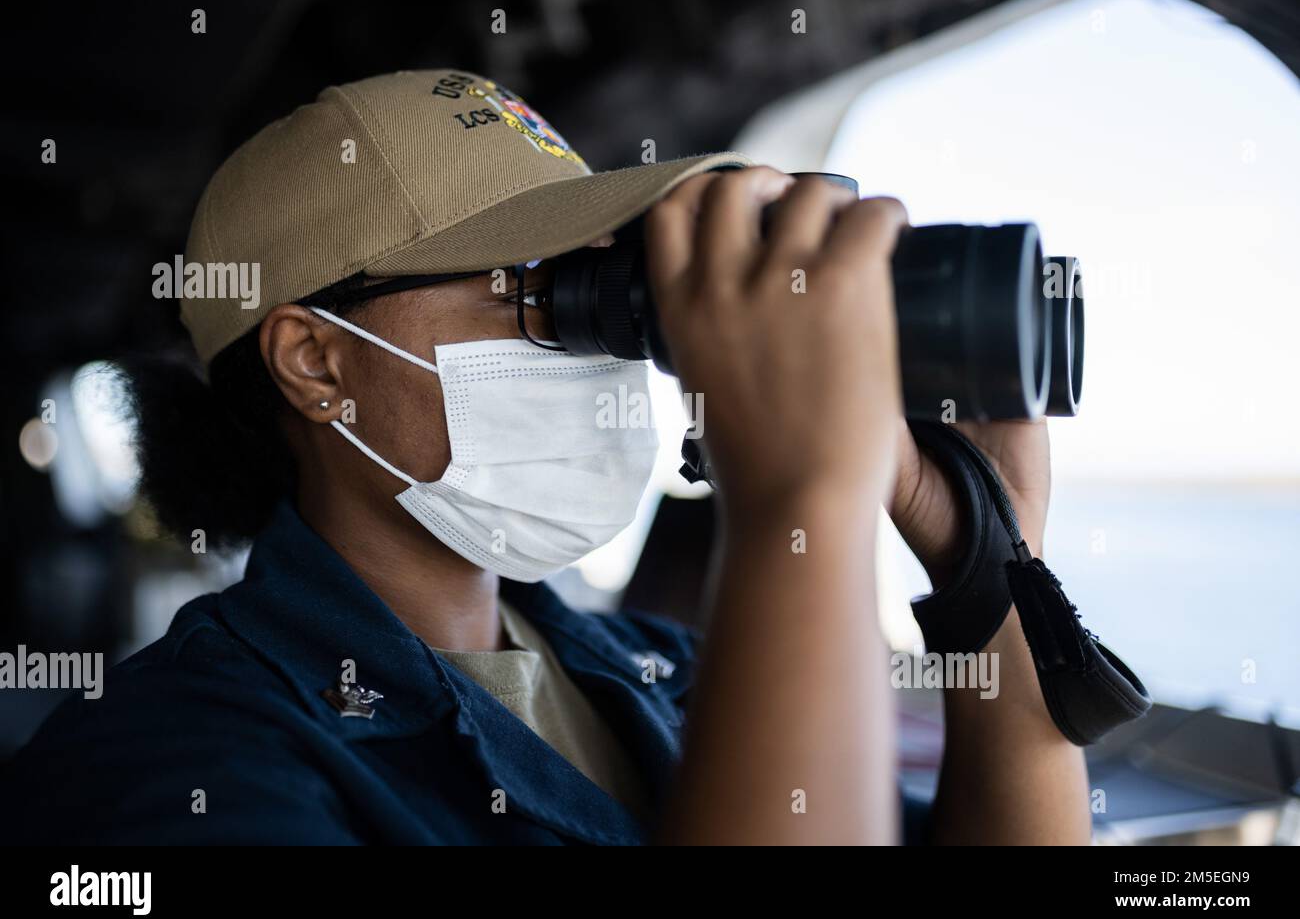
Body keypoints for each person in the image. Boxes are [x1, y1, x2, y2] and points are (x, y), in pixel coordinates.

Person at [0, 70, 1088, 844]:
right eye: (531, 289)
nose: (594, 350)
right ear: (315, 360)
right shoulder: (168, 761)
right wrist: (800, 498)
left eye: (600, 288)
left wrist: (993, 564)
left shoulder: (656, 674)